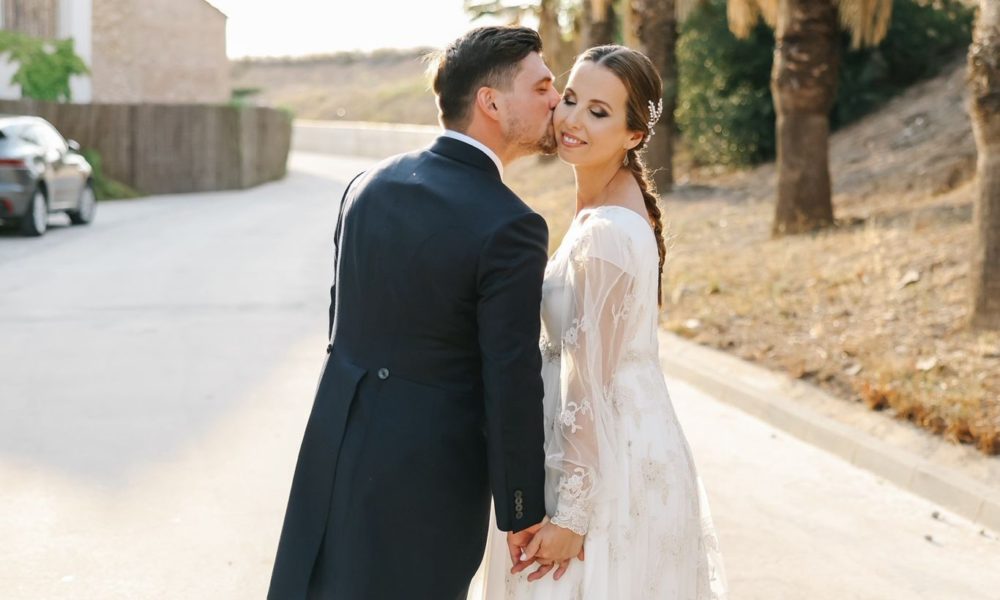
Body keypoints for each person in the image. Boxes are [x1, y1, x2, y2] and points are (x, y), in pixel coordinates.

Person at [266, 26, 572, 599]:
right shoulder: (511, 225)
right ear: (490, 101)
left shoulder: (367, 184)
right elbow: (509, 377)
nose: (555, 100)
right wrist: (522, 508)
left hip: (334, 449)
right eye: (542, 86)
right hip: (428, 480)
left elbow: (344, 322)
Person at [478, 45, 729, 599]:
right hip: (608, 446)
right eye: (570, 99)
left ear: (635, 135)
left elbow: (590, 380)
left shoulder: (608, 233)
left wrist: (573, 515)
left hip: (602, 468)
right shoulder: (608, 207)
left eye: (599, 111)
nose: (572, 120)